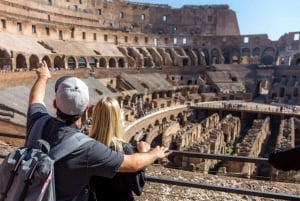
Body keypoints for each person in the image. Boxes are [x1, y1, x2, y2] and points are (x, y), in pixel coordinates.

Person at [27, 60, 171, 201]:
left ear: (54, 103)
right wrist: (153, 153)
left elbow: (35, 98)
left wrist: (43, 77)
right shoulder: (87, 148)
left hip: (28, 192)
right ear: (86, 109)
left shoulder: (38, 121)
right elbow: (133, 164)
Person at [88, 97, 148, 201]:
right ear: (117, 119)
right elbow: (138, 187)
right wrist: (143, 155)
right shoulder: (124, 149)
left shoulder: (87, 146)